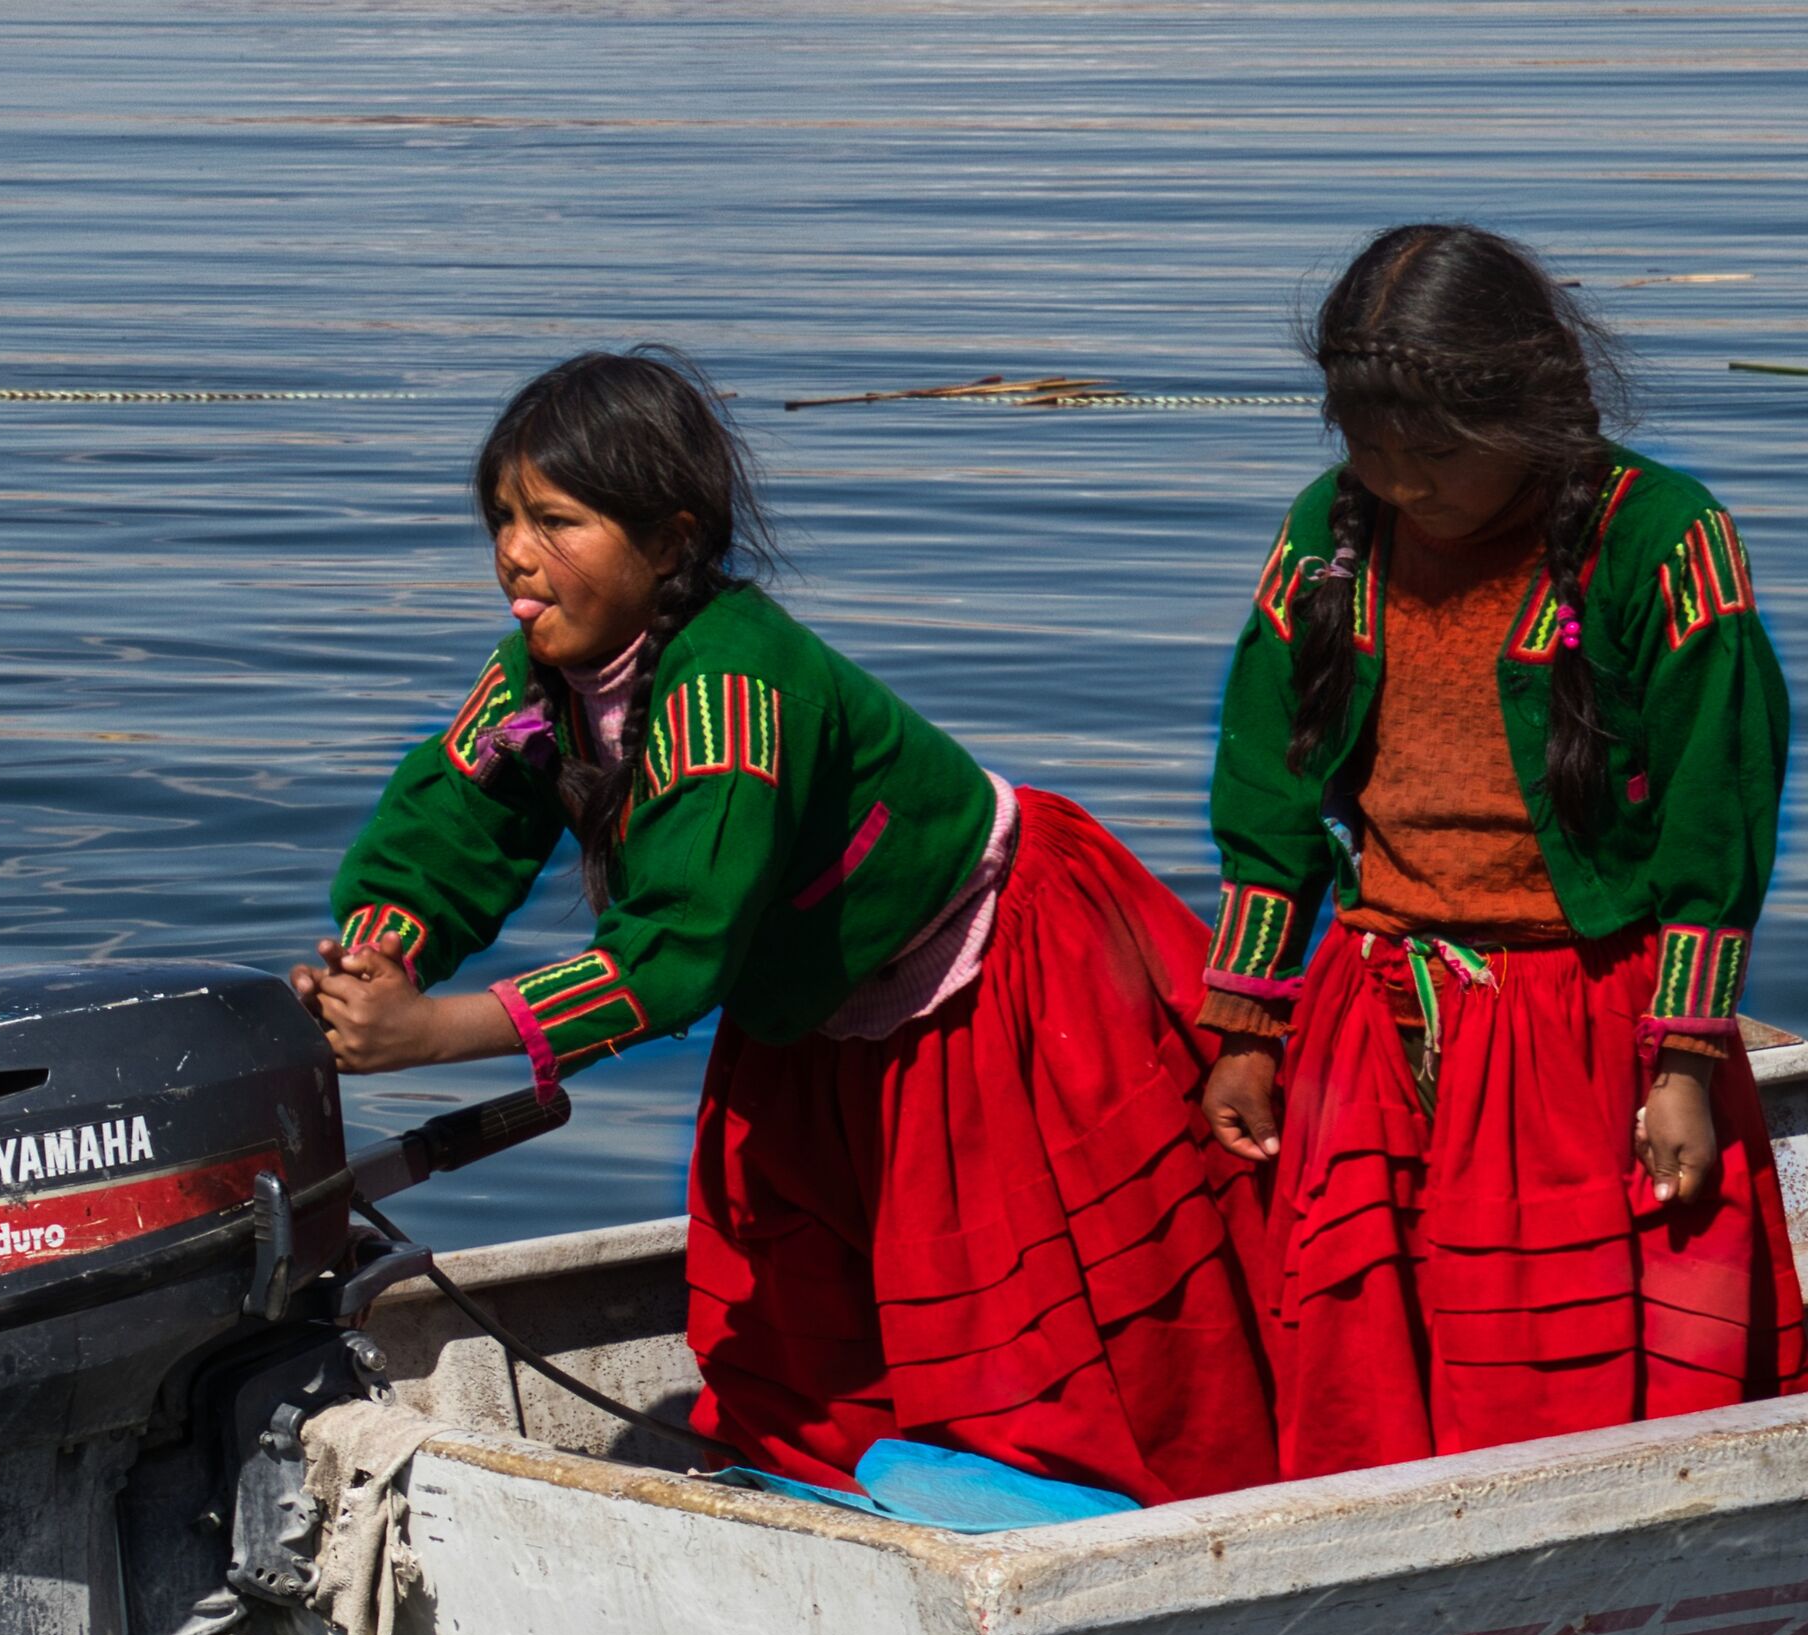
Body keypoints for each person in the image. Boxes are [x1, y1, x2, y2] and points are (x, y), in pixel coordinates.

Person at [295, 347, 1275, 1506]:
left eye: (556, 520)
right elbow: (449, 819)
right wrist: (377, 954)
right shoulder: (539, 677)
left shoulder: (731, 692)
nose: (515, 552)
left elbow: (675, 951)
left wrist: (433, 1032)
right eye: (503, 517)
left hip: (994, 975)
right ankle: (832, 1501)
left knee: (1037, 1317)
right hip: (811, 998)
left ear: (669, 541)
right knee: (792, 1331)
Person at [1198, 223, 1803, 1477]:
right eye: (1369, 448)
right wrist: (1247, 1029)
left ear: (1526, 411)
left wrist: (1683, 1060)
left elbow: (1718, 812)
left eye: (1434, 455)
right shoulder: (1330, 536)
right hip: (1377, 1020)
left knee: (1560, 1395)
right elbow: (1266, 788)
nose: (1402, 486)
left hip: (1583, 1030)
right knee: (1372, 1372)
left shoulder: (1664, 541)